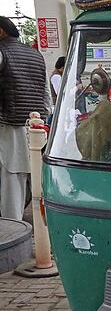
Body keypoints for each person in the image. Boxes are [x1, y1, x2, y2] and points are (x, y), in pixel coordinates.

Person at [0, 16, 50, 220]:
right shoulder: (36, 55)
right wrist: (44, 120)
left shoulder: (2, 53)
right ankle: (43, 227)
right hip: (36, 126)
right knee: (35, 177)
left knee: (11, 179)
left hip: (9, 125)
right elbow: (46, 94)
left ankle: (13, 228)